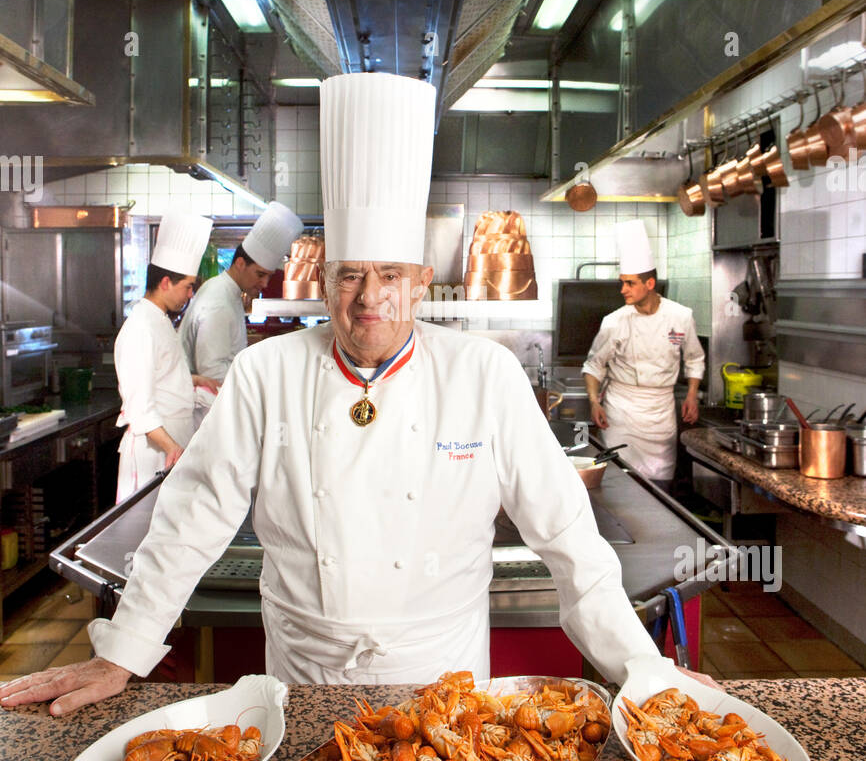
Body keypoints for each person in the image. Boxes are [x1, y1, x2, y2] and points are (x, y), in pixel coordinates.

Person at [0, 75, 714, 717]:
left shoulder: (482, 375)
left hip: (446, 689)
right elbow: (191, 517)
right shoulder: (265, 375)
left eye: (390, 275)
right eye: (347, 276)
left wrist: (643, 667)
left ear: (421, 278)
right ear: (324, 279)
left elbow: (569, 538)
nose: (369, 297)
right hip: (306, 683)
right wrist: (123, 649)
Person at [582, 220, 705, 488]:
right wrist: (594, 401)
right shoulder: (614, 321)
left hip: (661, 413)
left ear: (649, 283)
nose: (622, 290)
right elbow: (594, 366)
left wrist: (693, 395)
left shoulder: (681, 316)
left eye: (629, 283)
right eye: (622, 282)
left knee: (661, 484)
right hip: (622, 412)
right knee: (620, 482)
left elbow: (695, 358)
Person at [113, 210, 219, 501]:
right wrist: (172, 447)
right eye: (187, 286)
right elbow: (140, 408)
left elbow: (161, 374)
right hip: (153, 454)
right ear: (165, 283)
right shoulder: (140, 328)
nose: (189, 295)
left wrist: (195, 379)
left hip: (172, 446)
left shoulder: (158, 320)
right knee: (143, 537)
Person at [179, 202, 303, 383]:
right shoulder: (218, 301)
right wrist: (259, 381)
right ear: (240, 263)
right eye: (260, 274)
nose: (265, 283)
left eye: (268, 276)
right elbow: (212, 371)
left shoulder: (226, 290)